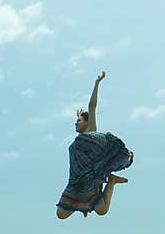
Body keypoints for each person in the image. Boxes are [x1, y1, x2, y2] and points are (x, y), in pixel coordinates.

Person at [56, 70, 134, 219]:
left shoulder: (91, 133)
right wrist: (79, 116)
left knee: (102, 210)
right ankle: (110, 181)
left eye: (78, 121)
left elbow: (92, 107)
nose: (75, 124)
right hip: (76, 181)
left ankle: (111, 181)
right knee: (61, 214)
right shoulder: (78, 142)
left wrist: (97, 84)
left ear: (86, 123)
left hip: (91, 179)